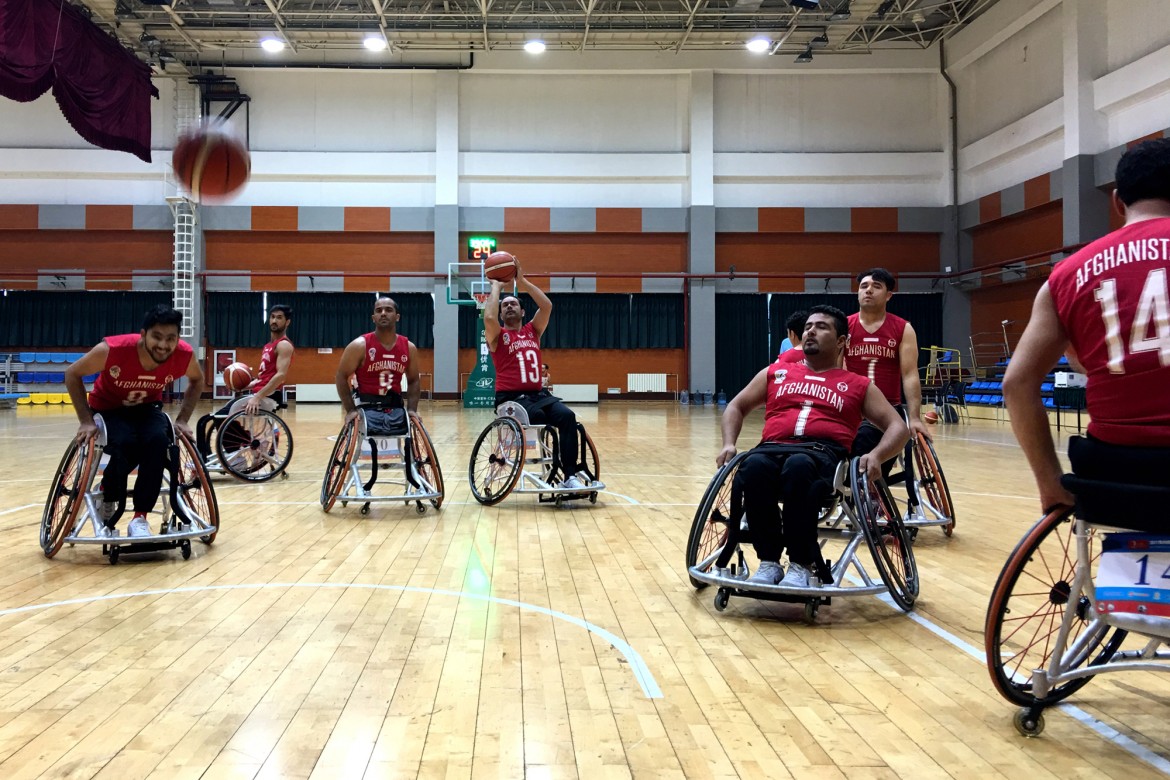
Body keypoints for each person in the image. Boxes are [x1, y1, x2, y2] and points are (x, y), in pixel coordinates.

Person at [1004, 138, 1170, 511]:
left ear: (1116, 201)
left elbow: (1016, 384)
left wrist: (1049, 482)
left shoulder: (1065, 275)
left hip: (1114, 470)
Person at [718, 305, 908, 588]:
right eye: (808, 326)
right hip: (771, 449)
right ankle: (769, 561)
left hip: (821, 455)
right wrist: (729, 444)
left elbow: (898, 427)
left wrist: (876, 454)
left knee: (799, 467)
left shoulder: (857, 385)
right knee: (753, 466)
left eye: (821, 327)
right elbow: (736, 405)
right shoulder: (775, 373)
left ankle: (801, 564)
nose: (810, 331)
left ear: (842, 341)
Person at [63, 305, 205, 538]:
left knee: (159, 441)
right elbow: (72, 374)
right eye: (157, 337)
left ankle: (140, 518)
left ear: (178, 339)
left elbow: (197, 380)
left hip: (147, 409)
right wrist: (86, 421)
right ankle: (109, 491)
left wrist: (182, 420)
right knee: (124, 442)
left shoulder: (184, 355)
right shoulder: (114, 349)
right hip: (108, 409)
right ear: (143, 335)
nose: (163, 345)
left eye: (170, 338)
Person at [485, 260, 594, 492]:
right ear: (501, 313)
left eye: (514, 304)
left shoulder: (532, 331)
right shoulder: (497, 336)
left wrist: (522, 282)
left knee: (567, 416)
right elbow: (488, 319)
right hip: (511, 399)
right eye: (505, 306)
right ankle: (553, 466)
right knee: (537, 416)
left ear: (523, 311)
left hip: (538, 395)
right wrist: (495, 287)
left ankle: (570, 475)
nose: (509, 307)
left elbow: (547, 306)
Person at [846, 268, 930, 473]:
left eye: (876, 287)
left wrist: (915, 417)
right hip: (850, 408)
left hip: (886, 411)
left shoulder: (903, 328)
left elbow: (909, 375)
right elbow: (835, 370)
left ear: (888, 295)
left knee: (865, 437)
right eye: (863, 286)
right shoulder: (844, 326)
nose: (868, 291)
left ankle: (869, 494)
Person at [196, 303, 294, 460]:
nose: (274, 321)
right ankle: (206, 456)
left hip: (268, 396)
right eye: (272, 317)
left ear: (287, 322)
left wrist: (257, 397)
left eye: (279, 318)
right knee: (207, 419)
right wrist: (244, 386)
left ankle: (239, 457)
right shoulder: (269, 346)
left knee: (220, 419)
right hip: (262, 394)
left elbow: (280, 376)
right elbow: (263, 378)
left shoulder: (283, 345)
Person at [335, 296, 421, 434]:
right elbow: (341, 376)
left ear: (397, 317)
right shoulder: (359, 346)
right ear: (373, 317)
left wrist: (412, 410)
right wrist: (350, 410)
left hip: (395, 406)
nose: (383, 313)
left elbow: (414, 380)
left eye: (388, 310)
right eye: (379, 310)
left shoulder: (409, 347)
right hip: (366, 406)